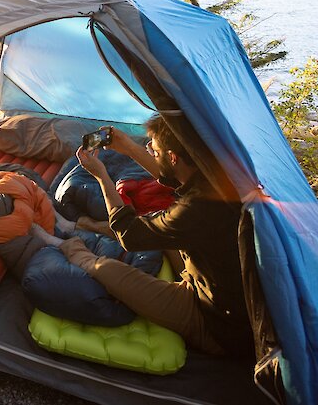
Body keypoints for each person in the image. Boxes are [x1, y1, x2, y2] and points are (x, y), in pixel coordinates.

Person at [58, 115, 253, 357]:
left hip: (214, 320)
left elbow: (128, 234)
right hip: (214, 282)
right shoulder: (218, 176)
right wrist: (129, 148)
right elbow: (174, 180)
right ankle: (81, 227)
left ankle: (64, 243)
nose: (150, 150)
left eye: (155, 149)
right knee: (156, 222)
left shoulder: (195, 210)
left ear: (173, 157)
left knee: (107, 270)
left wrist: (102, 176)